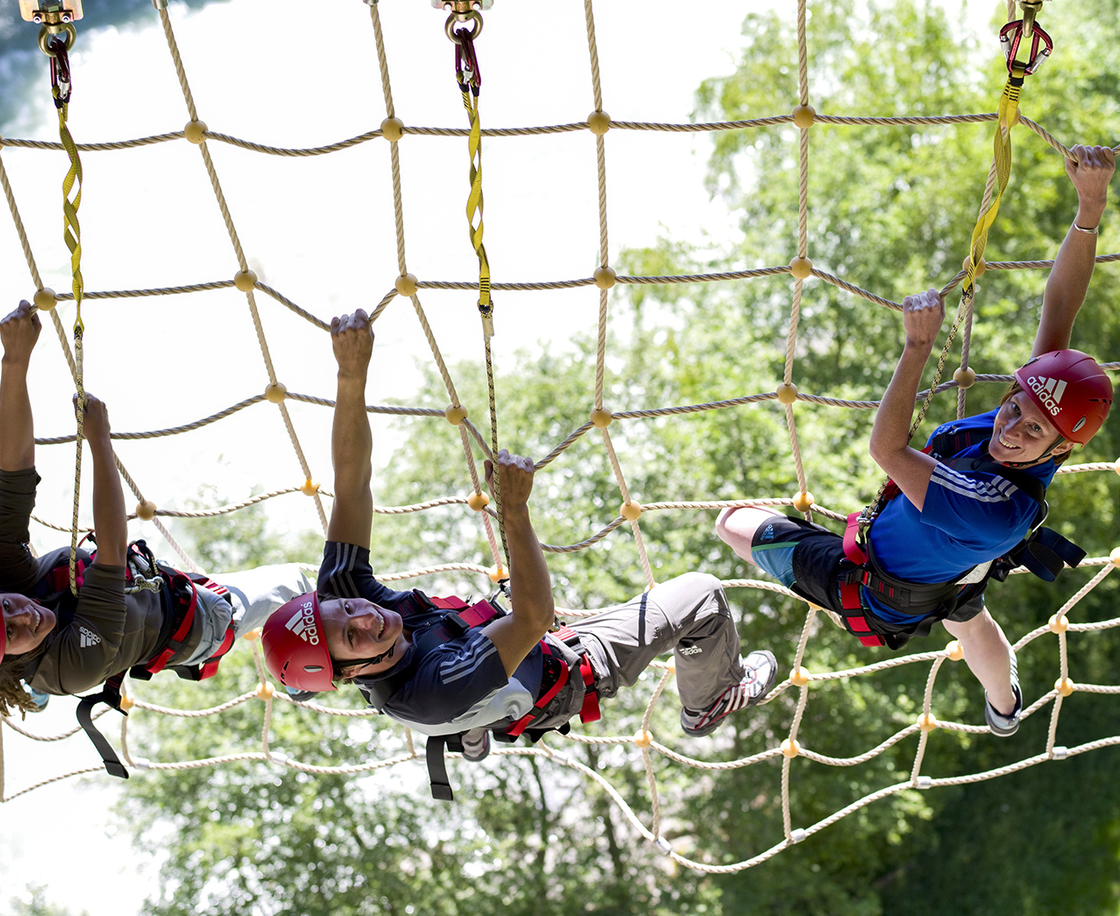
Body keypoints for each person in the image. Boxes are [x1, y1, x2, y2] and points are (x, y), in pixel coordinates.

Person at [261, 310, 777, 797]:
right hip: (566, 671)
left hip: (470, 657)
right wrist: (513, 510)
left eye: (347, 609)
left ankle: (476, 720)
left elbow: (351, 489)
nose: (366, 616)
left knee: (465, 659)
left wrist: (350, 376)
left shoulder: (338, 603)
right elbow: (534, 617)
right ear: (351, 674)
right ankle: (707, 703)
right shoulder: (429, 688)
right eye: (353, 635)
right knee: (702, 597)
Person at [714, 146, 1118, 738]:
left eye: (1032, 430)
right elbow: (1061, 305)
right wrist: (1090, 206)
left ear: (1060, 451)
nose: (1009, 429)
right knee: (969, 616)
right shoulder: (1043, 423)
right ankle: (1005, 706)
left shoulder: (993, 509)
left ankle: (728, 684)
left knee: (732, 523)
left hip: (876, 592)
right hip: (960, 572)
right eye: (1013, 407)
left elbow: (888, 450)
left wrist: (918, 347)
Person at [0, 301, 280, 720]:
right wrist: (99, 439)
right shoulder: (69, 668)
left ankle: (17, 682)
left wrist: (14, 361)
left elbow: (14, 475)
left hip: (156, 580)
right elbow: (110, 550)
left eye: (7, 608)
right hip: (203, 622)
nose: (25, 616)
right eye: (12, 633)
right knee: (294, 580)